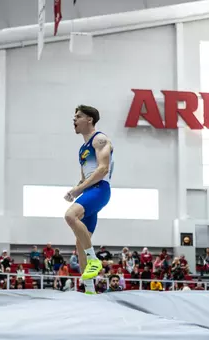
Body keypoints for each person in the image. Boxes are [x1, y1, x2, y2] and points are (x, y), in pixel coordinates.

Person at [64, 105, 114, 294]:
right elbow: (85, 177)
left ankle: (94, 259)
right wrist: (75, 189)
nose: (74, 120)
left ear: (90, 120)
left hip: (100, 190)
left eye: (78, 116)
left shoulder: (100, 139)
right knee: (80, 242)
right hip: (89, 190)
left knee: (70, 216)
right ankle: (90, 290)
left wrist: (79, 189)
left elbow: (102, 170)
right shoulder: (82, 149)